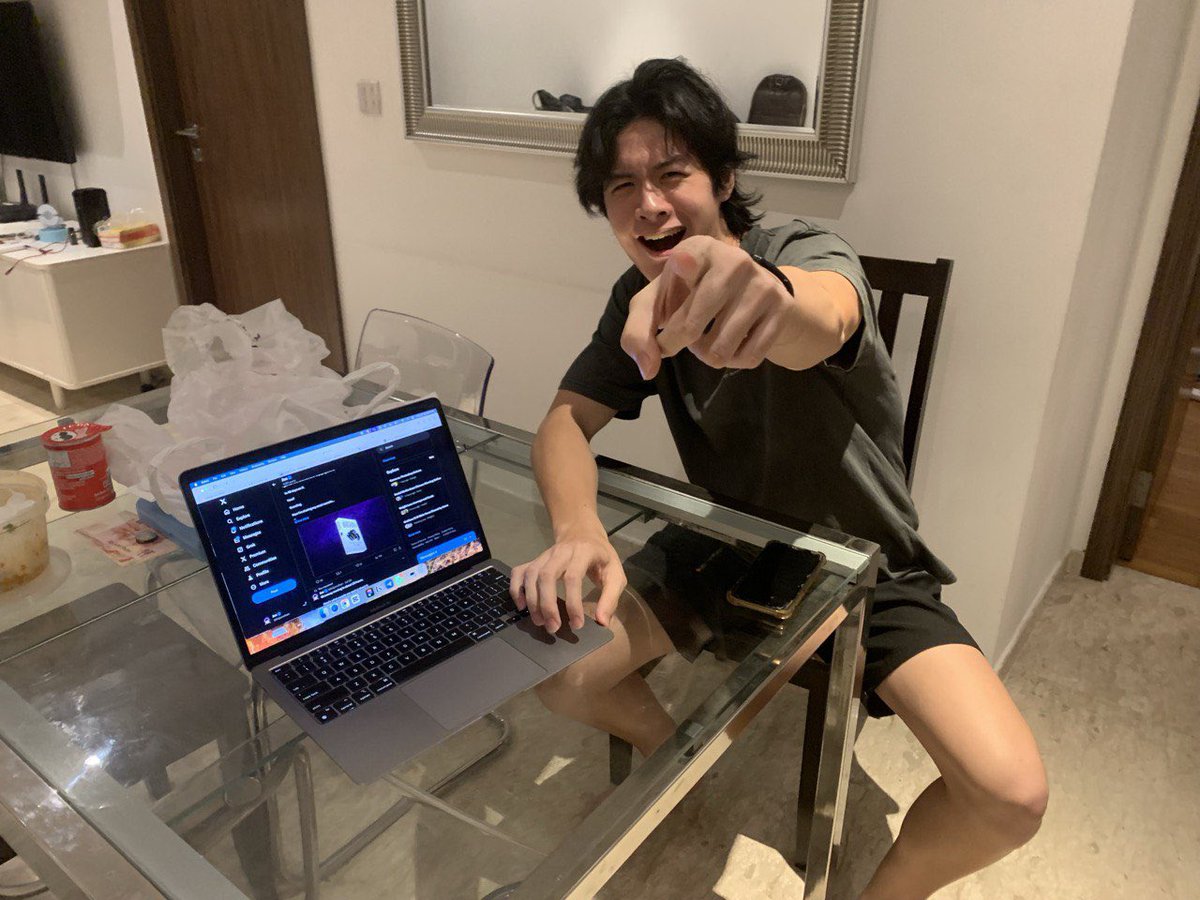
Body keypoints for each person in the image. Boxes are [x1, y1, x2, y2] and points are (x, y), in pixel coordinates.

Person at [508, 58, 1048, 898]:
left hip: (861, 563)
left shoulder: (800, 251)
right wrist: (577, 530)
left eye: (672, 175)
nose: (648, 204)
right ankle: (680, 765)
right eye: (621, 187)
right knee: (558, 672)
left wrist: (764, 299)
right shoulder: (633, 294)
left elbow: (820, 314)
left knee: (1009, 795)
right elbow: (562, 423)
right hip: (722, 544)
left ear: (723, 179)